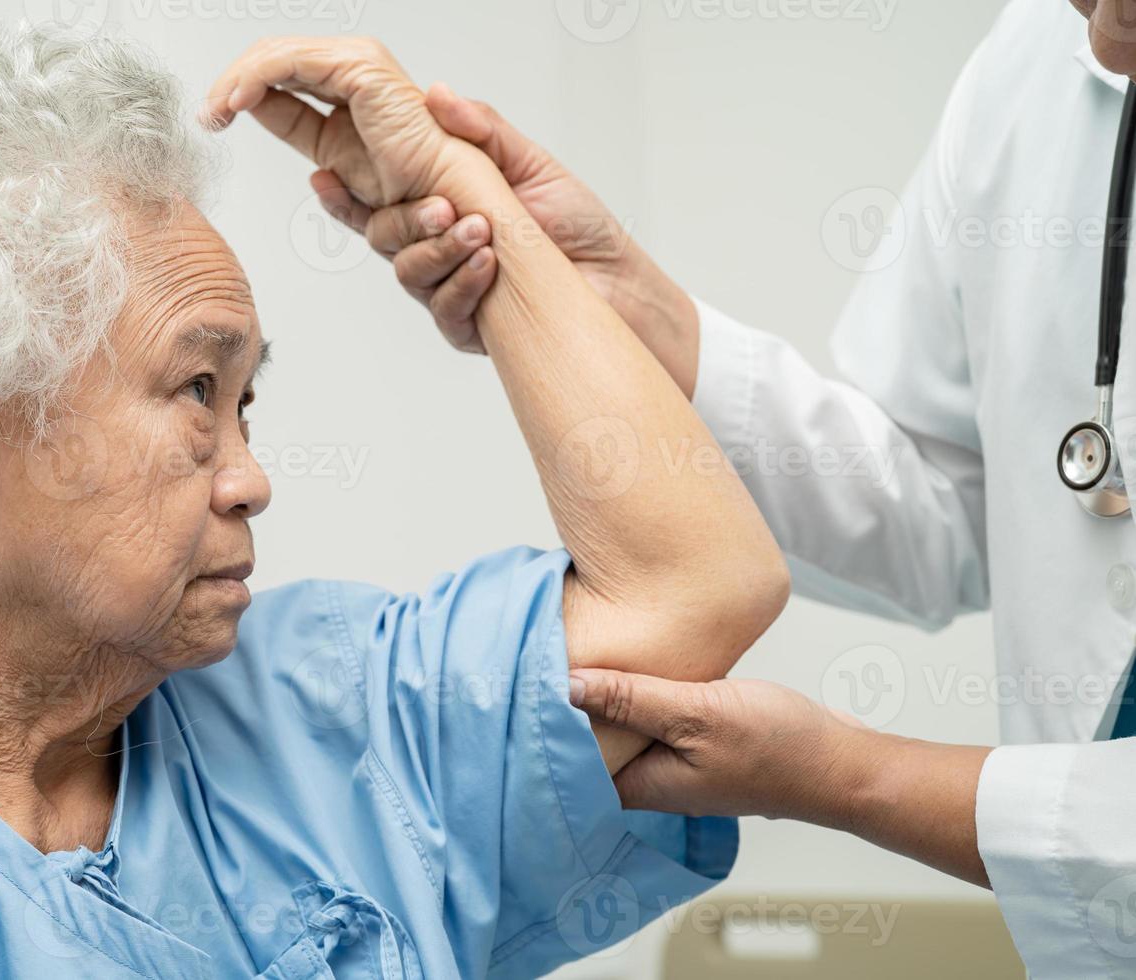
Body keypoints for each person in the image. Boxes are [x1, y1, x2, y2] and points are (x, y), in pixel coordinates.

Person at [0, 24, 789, 980]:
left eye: (247, 400)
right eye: (197, 389)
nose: (250, 476)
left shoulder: (328, 711)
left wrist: (468, 206)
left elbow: (695, 587)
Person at [325, 0, 1136, 973]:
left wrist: (845, 774)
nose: (1093, 34)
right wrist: (631, 306)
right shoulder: (1030, 64)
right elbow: (941, 497)